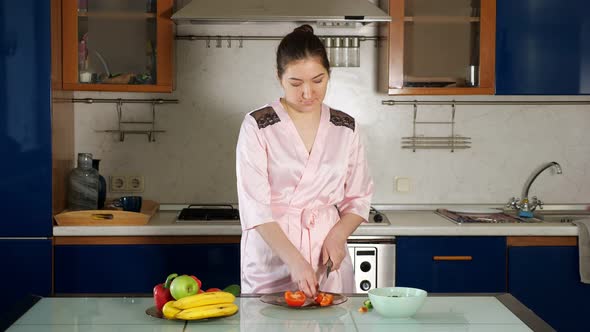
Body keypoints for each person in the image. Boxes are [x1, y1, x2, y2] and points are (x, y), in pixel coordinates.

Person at [236, 24, 374, 298]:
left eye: (318, 80)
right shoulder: (258, 125)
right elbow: (256, 208)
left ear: (329, 75)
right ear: (279, 78)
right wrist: (296, 262)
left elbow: (359, 197)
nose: (308, 93)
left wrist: (339, 235)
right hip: (273, 255)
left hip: (327, 252)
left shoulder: (345, 126)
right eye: (296, 83)